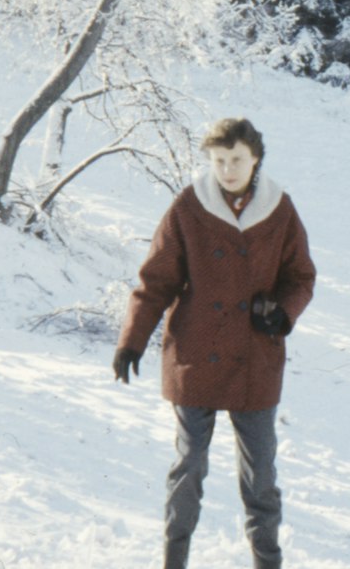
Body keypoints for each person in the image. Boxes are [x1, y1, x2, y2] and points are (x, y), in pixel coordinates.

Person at [113, 117, 316, 569]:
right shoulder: (189, 206)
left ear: (255, 159)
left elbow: (300, 277)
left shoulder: (279, 210)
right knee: (189, 468)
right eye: (219, 160)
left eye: (236, 160)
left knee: (260, 476)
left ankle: (267, 562)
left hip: (254, 360)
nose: (227, 169)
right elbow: (156, 280)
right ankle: (174, 561)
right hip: (194, 355)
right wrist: (132, 340)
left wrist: (282, 312)